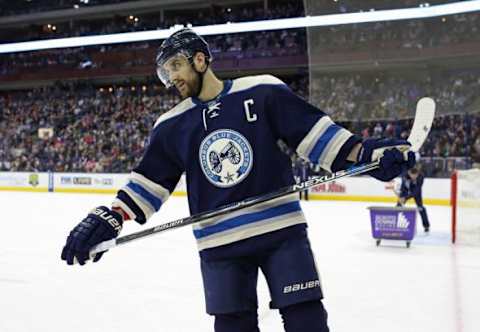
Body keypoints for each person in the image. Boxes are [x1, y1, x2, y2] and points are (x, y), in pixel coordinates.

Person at [61, 28, 416, 332]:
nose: (172, 79)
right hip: (219, 245)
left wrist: (366, 154)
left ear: (200, 59)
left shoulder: (262, 91)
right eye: (166, 73)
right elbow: (149, 182)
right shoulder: (170, 124)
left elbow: (317, 138)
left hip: (282, 233)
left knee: (307, 322)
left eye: (176, 66)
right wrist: (113, 215)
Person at [397, 167, 431, 232]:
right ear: (409, 173)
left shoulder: (421, 177)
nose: (414, 177)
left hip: (416, 190)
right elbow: (403, 186)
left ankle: (426, 225)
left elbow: (416, 191)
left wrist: (406, 198)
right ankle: (395, 224)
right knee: (398, 207)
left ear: (418, 174)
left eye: (416, 176)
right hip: (406, 189)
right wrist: (401, 196)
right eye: (413, 176)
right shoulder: (404, 175)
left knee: (421, 207)